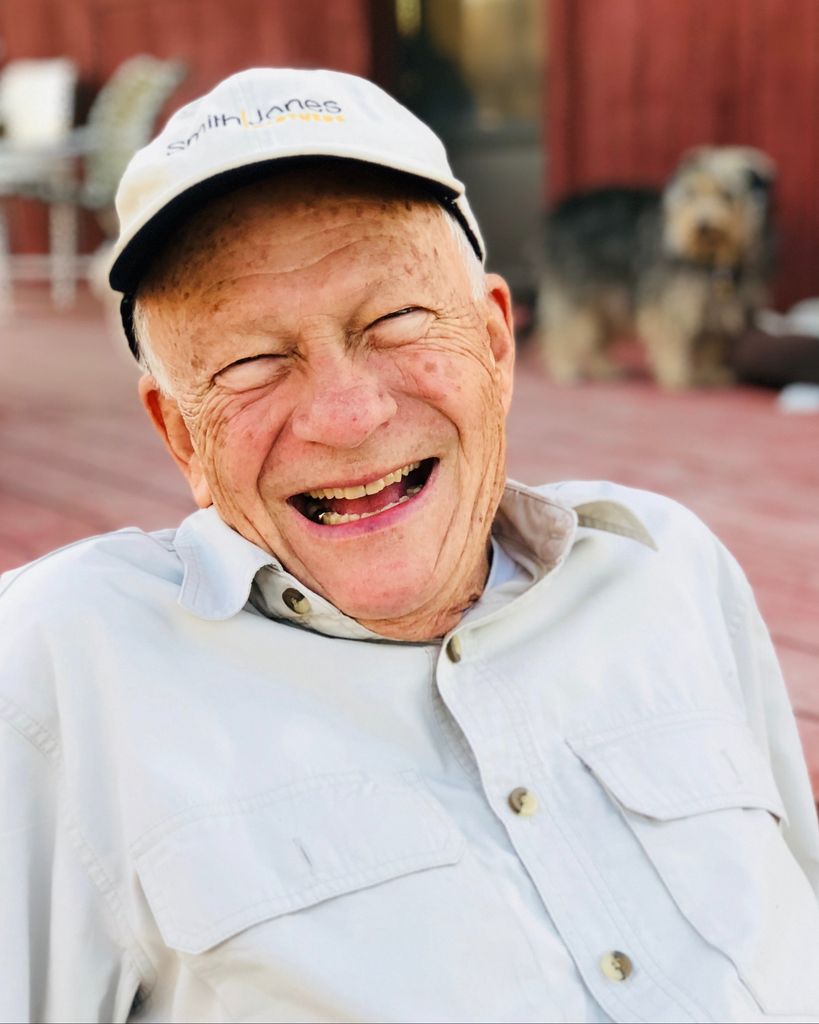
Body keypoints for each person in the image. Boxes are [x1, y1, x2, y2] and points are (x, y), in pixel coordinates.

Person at [1, 68, 818, 1024]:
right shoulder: (68, 668)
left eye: (394, 322)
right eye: (253, 361)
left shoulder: (664, 565)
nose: (348, 415)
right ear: (181, 437)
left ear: (496, 347)